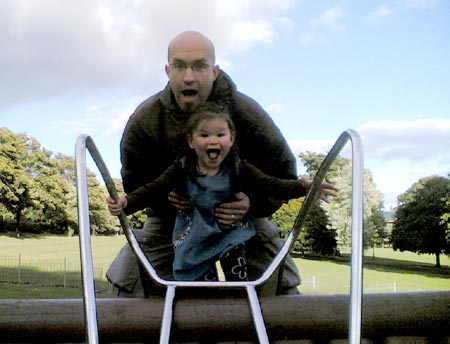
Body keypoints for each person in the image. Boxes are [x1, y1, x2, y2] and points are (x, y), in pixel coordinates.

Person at [106, 30, 333, 297]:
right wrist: (167, 199)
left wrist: (251, 204)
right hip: (171, 221)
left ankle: (284, 328)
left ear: (214, 71)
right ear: (168, 71)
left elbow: (280, 174)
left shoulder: (248, 113)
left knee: (279, 285)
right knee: (129, 283)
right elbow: (135, 182)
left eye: (200, 66)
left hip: (240, 219)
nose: (188, 76)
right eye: (179, 66)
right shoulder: (146, 119)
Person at [108, 105, 332, 283]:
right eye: (204, 135)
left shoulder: (237, 167)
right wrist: (126, 203)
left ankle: (240, 300)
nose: (213, 140)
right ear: (191, 141)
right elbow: (154, 188)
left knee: (237, 273)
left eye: (220, 134)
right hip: (196, 233)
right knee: (201, 282)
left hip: (229, 233)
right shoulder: (183, 168)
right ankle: (206, 311)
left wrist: (304, 187)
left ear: (231, 139)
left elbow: (270, 185)